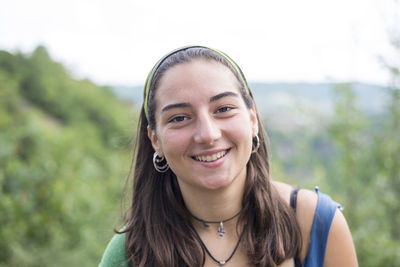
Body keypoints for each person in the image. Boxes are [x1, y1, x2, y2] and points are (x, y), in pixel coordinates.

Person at [99, 46, 358, 267]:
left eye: (223, 109)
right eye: (179, 118)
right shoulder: (129, 253)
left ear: (252, 119)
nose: (207, 134)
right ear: (155, 139)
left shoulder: (318, 225)